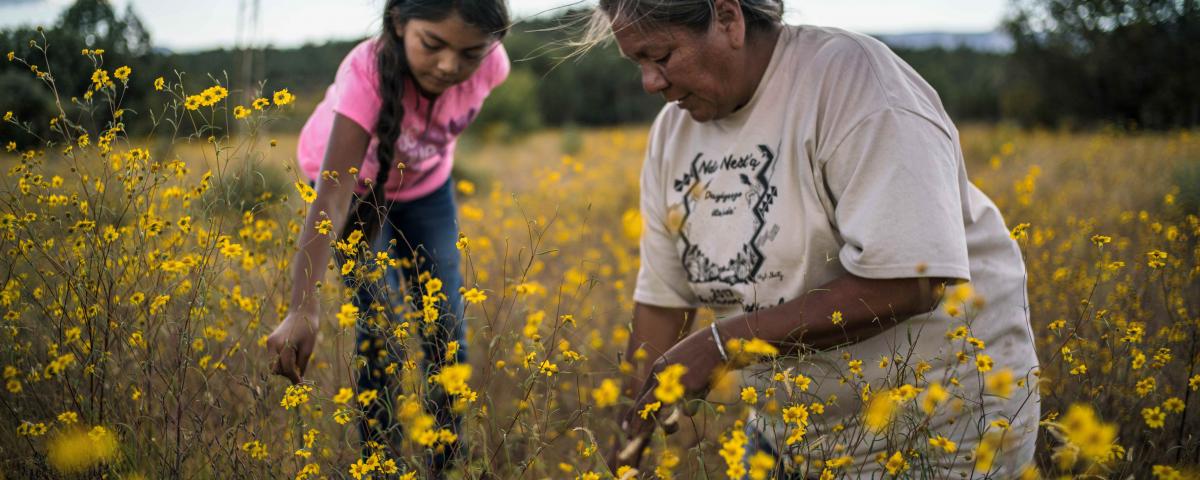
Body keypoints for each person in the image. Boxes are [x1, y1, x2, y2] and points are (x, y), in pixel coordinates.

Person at [586, 0, 1041, 477]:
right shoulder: (673, 136)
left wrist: (722, 344)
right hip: (792, 434)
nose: (650, 82)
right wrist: (623, 453)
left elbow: (912, 280)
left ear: (727, 18)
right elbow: (662, 306)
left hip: (934, 428)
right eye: (637, 62)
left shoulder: (854, 85)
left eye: (660, 56)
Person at [265, 0, 509, 475]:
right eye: (433, 45)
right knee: (381, 330)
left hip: (427, 190)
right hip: (350, 195)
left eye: (469, 53)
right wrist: (302, 306)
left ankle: (447, 463)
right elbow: (331, 198)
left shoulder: (493, 64)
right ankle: (379, 465)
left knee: (447, 328)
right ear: (399, 23)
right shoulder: (365, 76)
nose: (448, 65)